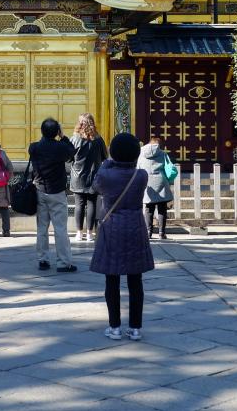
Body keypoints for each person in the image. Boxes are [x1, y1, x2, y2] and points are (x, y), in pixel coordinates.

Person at [90, 132, 154, 341]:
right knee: (136, 281)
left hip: (112, 228)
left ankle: (114, 326)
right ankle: (135, 327)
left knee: (112, 279)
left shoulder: (106, 175)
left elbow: (96, 185)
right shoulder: (141, 175)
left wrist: (108, 161)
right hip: (135, 226)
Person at [28, 118, 77, 272]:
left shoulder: (34, 147)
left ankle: (43, 259)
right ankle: (63, 262)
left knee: (42, 228)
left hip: (40, 190)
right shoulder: (60, 147)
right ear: (56, 131)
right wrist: (62, 136)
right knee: (60, 228)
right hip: (57, 191)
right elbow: (72, 151)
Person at [69, 113, 107, 242]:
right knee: (91, 204)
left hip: (77, 176)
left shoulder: (74, 139)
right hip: (94, 176)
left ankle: (79, 233)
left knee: (79, 204)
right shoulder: (98, 139)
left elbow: (69, 158)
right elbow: (104, 157)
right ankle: (90, 233)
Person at [137, 135, 174, 240]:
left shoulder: (141, 154)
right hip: (161, 182)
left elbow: (138, 168)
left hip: (147, 182)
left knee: (149, 208)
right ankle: (162, 233)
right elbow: (169, 168)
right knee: (162, 208)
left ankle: (148, 232)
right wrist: (169, 181)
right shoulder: (162, 154)